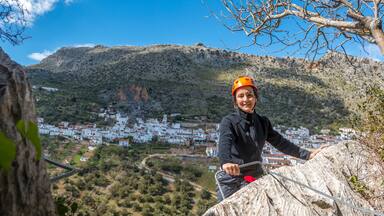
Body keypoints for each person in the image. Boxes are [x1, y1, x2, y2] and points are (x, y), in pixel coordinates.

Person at [216, 76, 326, 201]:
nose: (245, 99)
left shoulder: (263, 122)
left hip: (254, 176)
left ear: (255, 98)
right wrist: (226, 162)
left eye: (249, 95)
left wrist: (308, 155)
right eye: (241, 96)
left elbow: (281, 143)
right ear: (235, 101)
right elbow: (225, 142)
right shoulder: (229, 122)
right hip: (232, 179)